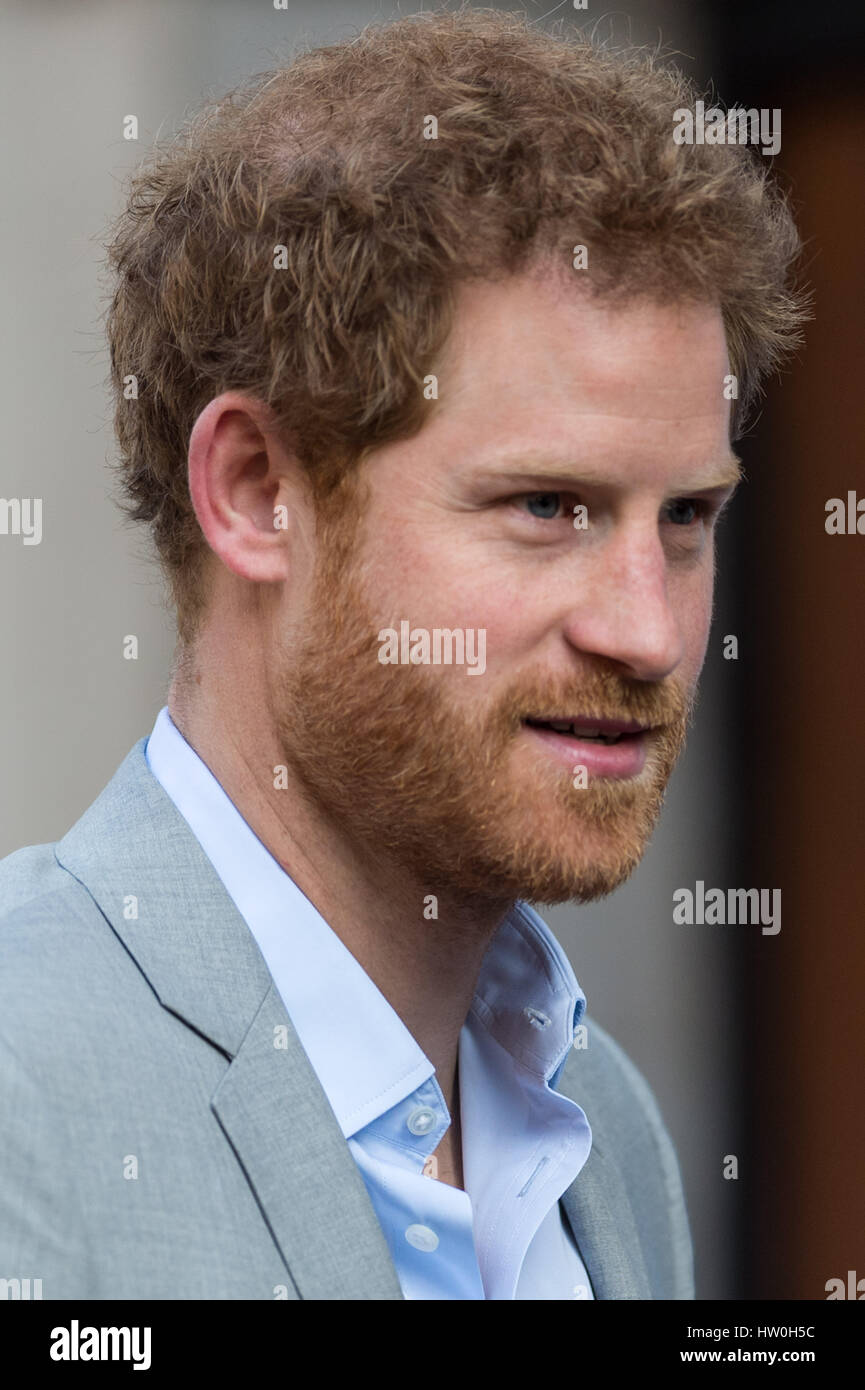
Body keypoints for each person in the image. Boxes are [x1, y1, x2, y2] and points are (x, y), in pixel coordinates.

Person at [0, 9, 806, 1300]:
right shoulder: (25, 1096)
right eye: (546, 507)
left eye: (688, 518)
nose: (646, 631)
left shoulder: (608, 1136)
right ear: (256, 488)